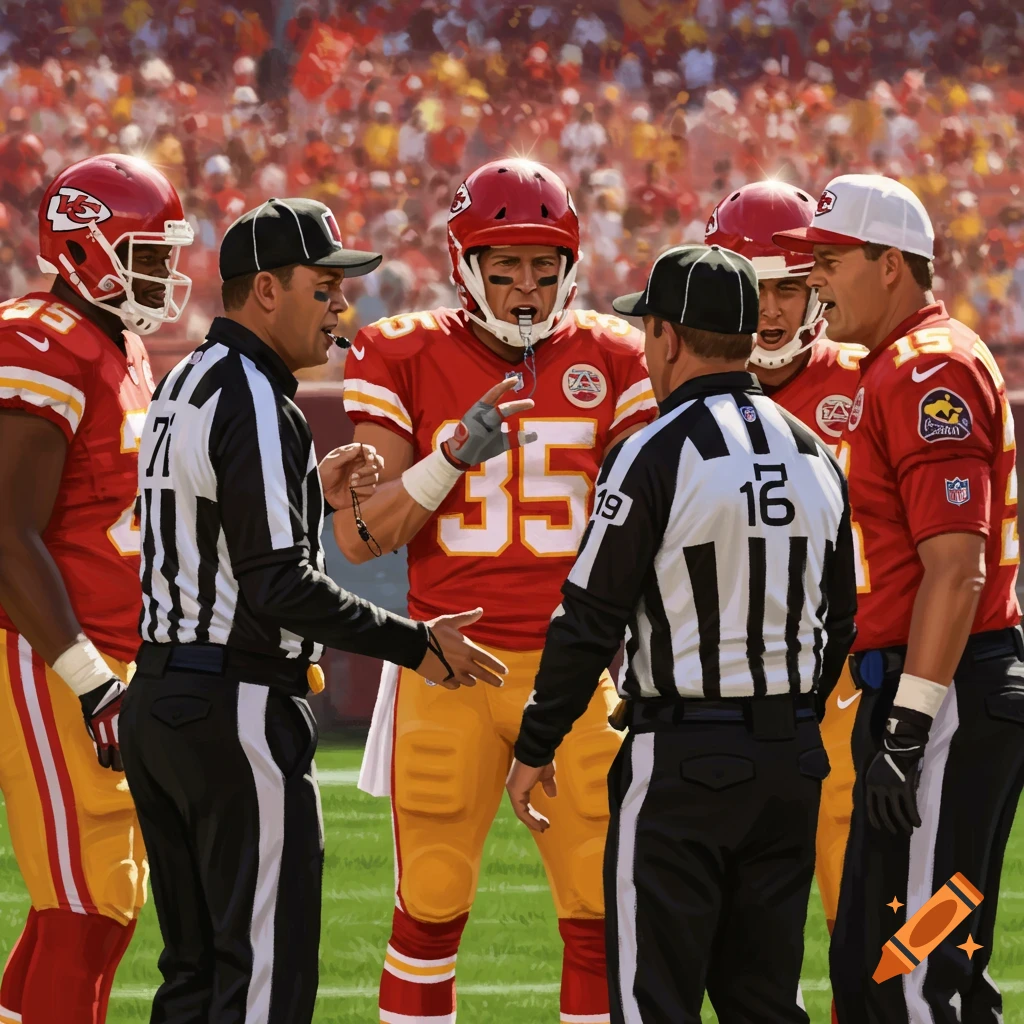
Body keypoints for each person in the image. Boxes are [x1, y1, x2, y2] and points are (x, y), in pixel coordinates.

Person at [119, 198, 508, 1024]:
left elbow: (211, 530)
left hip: (165, 699)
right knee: (263, 978)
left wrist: (303, 490)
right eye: (325, 287)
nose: (343, 308)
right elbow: (279, 586)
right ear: (266, 289)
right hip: (235, 708)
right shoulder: (257, 395)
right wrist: (414, 643)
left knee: (192, 979)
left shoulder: (185, 377)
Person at [338, 158, 659, 1024]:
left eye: (542, 267)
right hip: (449, 672)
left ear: (569, 266)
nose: (526, 287)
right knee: (430, 903)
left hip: (577, 670)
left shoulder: (618, 354)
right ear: (464, 264)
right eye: (506, 265)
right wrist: (449, 459)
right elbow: (369, 530)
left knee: (597, 909)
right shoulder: (402, 349)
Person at [507, 243, 857, 1024]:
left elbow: (589, 617)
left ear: (666, 335)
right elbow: (841, 622)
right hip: (792, 756)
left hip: (685, 758)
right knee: (765, 999)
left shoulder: (653, 451)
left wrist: (537, 742)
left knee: (652, 1000)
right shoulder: (815, 452)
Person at [774, 174, 1023, 1022]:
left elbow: (958, 567)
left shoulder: (927, 368)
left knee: (910, 971)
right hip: (934, 688)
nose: (816, 281)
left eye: (832, 261)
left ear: (892, 265)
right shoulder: (905, 362)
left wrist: (911, 729)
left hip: (947, 694)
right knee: (902, 958)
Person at [0, 153, 193, 1024]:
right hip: (47, 653)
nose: (161, 273)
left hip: (109, 653)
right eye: (145, 254)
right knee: (89, 905)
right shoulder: (38, 338)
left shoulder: (119, 341)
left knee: (96, 911)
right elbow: (5, 532)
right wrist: (88, 678)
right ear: (81, 248)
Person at [705, 179, 867, 996]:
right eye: (755, 287)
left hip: (848, 685)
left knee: (864, 922)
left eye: (790, 287)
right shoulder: (677, 380)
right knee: (741, 933)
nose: (771, 309)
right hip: (729, 680)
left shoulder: (872, 374)